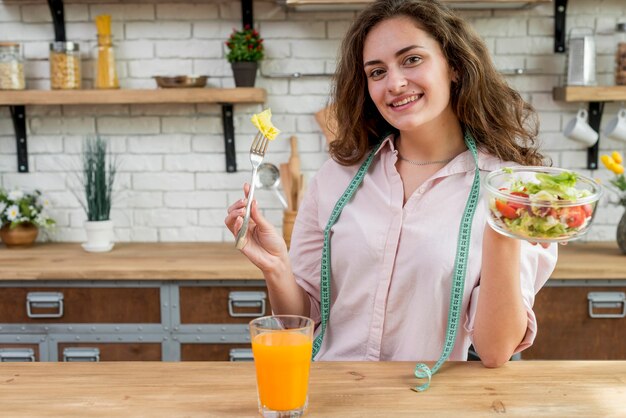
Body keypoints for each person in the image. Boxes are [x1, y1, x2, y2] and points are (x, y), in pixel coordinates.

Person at [225, 0, 557, 369]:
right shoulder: (337, 177)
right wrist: (276, 268)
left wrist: (503, 228)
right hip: (333, 393)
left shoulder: (512, 190)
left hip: (426, 400)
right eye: (377, 71)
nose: (394, 83)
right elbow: (306, 316)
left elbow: (496, 351)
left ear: (456, 67)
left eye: (412, 59)